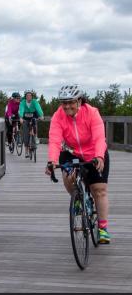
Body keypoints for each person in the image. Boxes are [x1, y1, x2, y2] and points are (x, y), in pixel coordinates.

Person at [45, 85, 110, 244]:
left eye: (71, 102)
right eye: (63, 103)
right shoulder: (58, 116)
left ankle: (103, 228)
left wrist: (100, 156)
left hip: (94, 152)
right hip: (71, 153)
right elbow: (54, 140)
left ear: (79, 101)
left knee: (99, 190)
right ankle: (78, 199)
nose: (67, 106)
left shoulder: (92, 113)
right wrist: (52, 161)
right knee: (68, 176)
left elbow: (99, 138)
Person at [18, 90, 44, 158]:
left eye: (30, 96)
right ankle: (26, 151)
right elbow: (21, 109)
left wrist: (41, 115)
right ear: (25, 97)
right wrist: (20, 117)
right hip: (25, 118)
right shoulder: (23, 102)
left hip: (33, 117)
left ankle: (35, 137)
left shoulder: (35, 102)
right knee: (26, 134)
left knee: (35, 125)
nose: (29, 97)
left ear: (32, 97)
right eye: (27, 96)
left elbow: (38, 108)